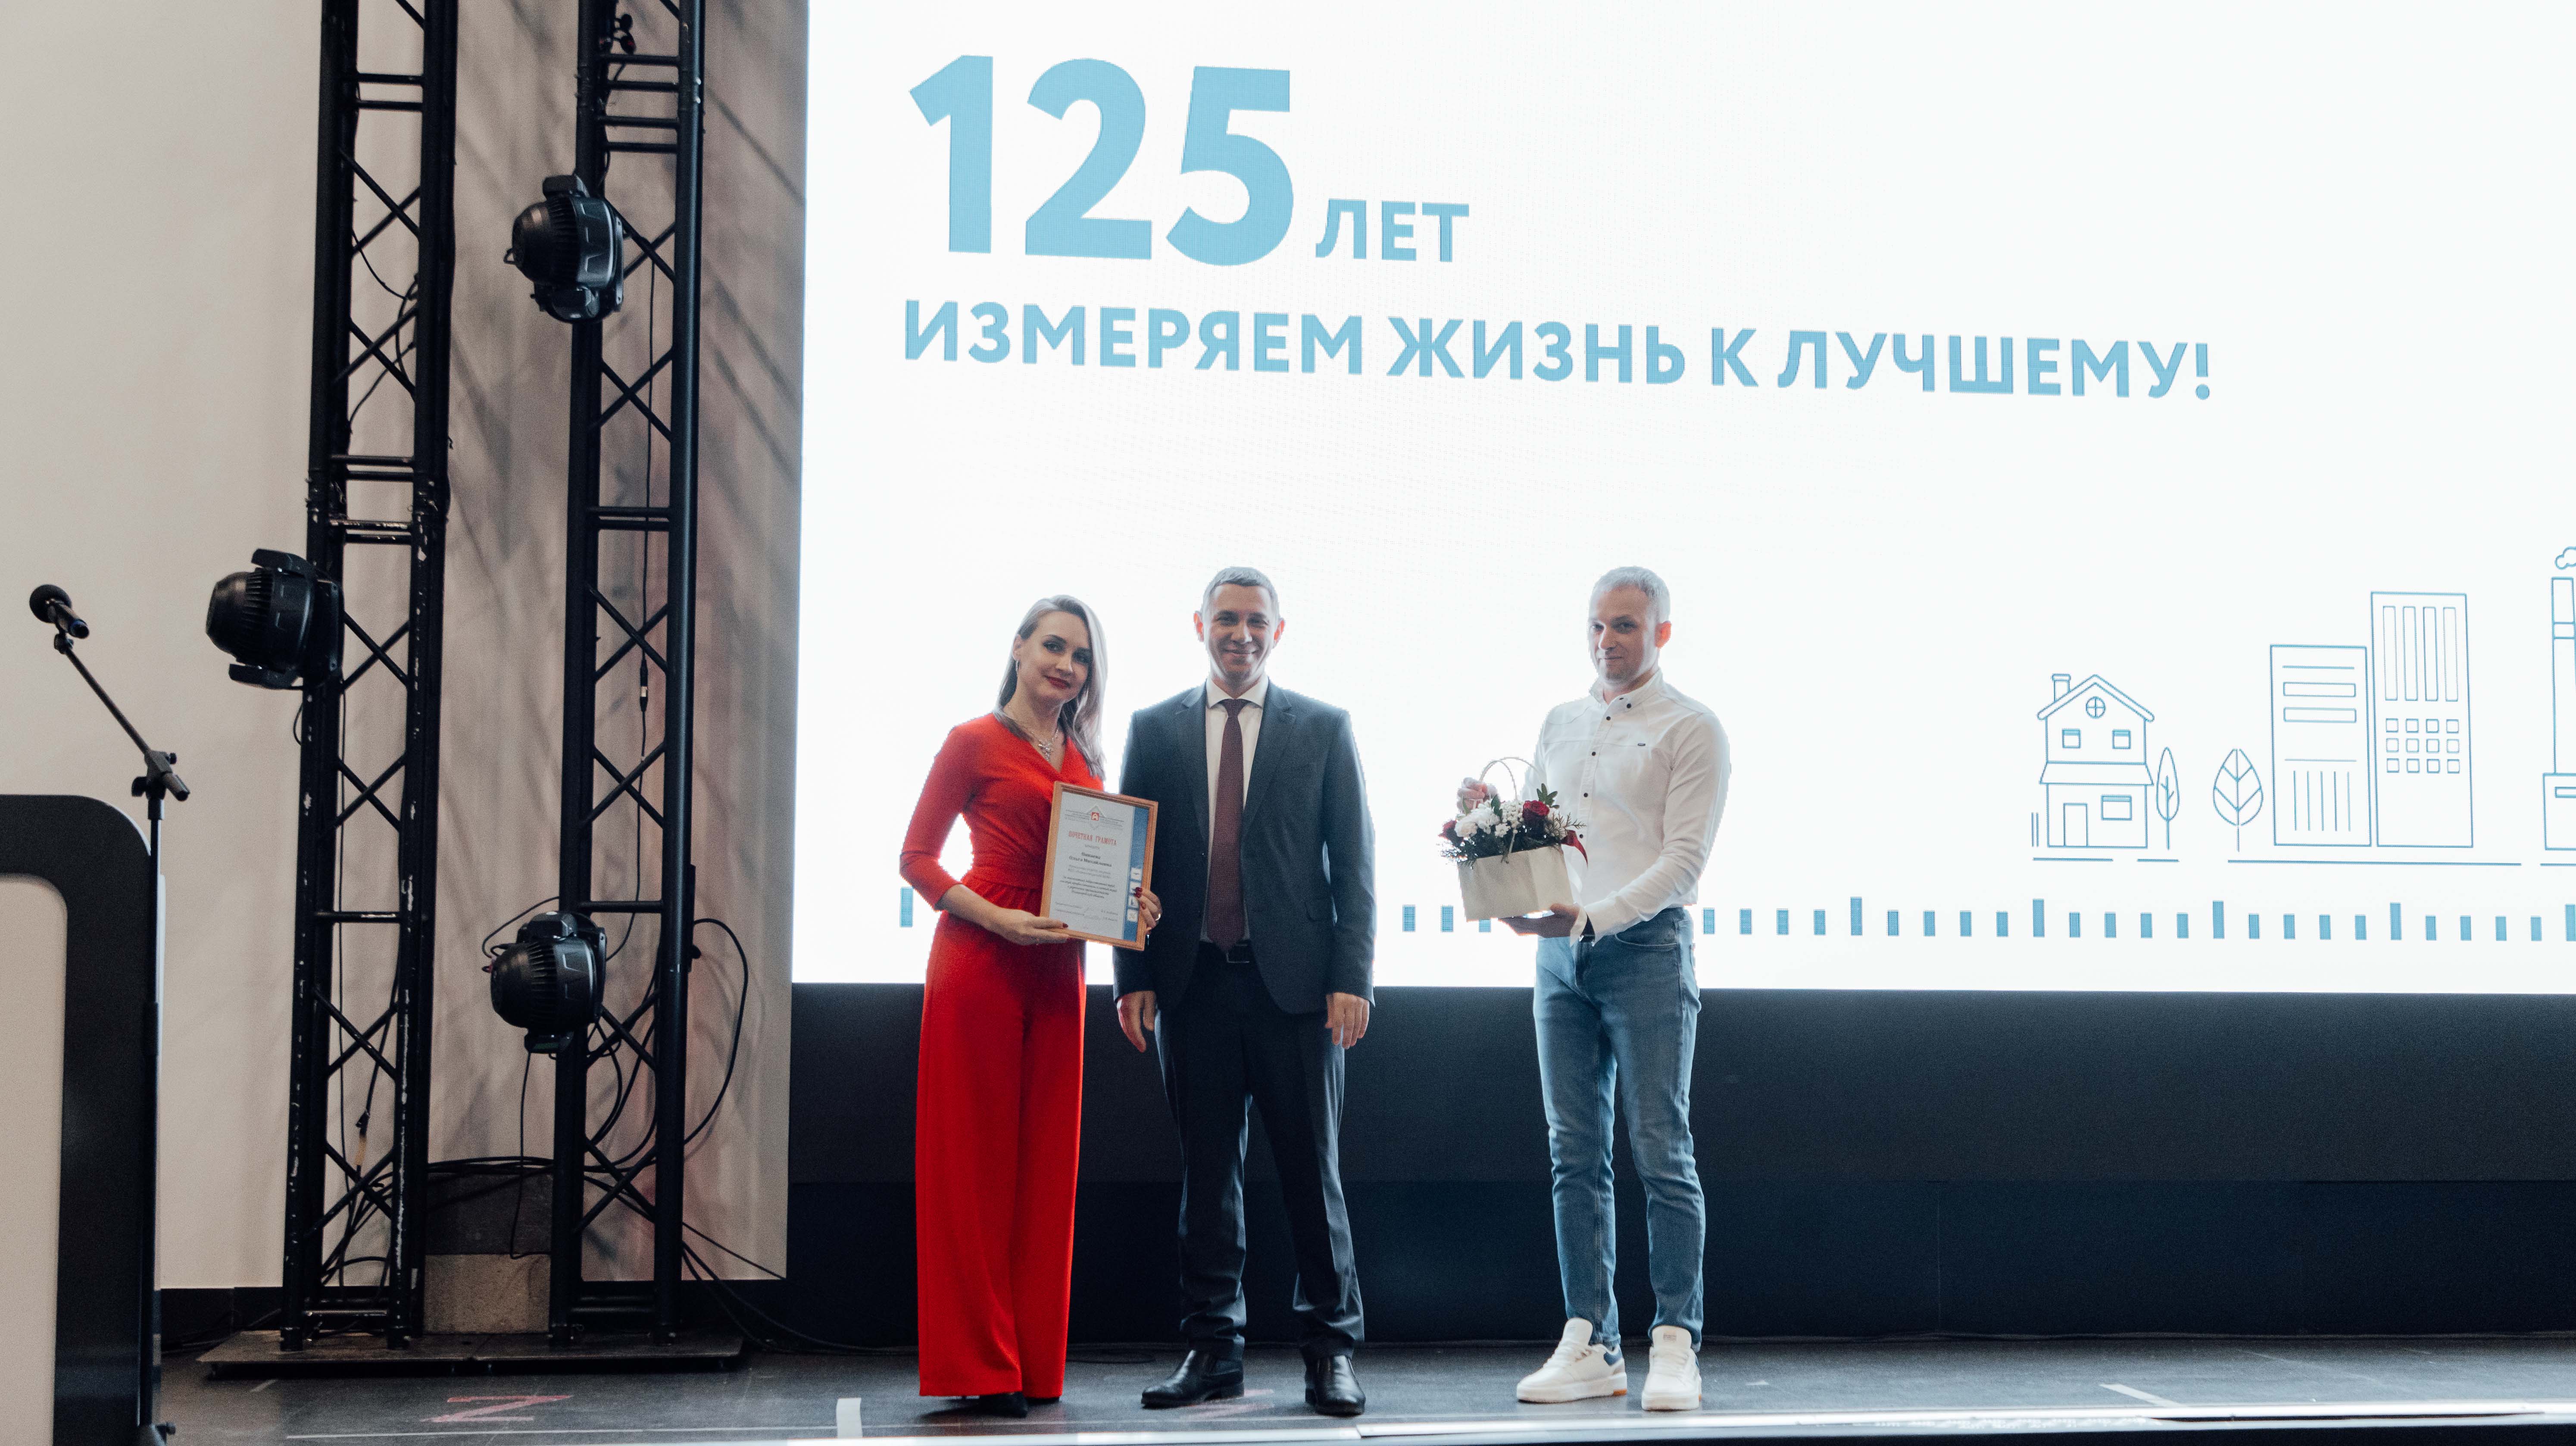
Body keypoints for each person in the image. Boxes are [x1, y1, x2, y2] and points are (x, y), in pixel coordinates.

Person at [1463, 566, 1730, 1412]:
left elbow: (1682, 862)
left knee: (1660, 1148)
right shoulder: (1561, 720)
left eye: (1625, 625)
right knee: (1572, 1153)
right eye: (1596, 625)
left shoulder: (1692, 727)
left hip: (1645, 951)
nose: (1606, 641)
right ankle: (1591, 1341)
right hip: (1558, 958)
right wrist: (1490, 822)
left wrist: (1592, 920)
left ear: (1661, 633)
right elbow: (1543, 838)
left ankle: (1675, 1342)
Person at [1112, 566, 1375, 1418]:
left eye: (1256, 620)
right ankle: (1212, 1348)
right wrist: (1132, 974)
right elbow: (1128, 862)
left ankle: (1331, 1350)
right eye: (1226, 618)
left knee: (1311, 1177)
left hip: (1295, 993)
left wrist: (1351, 978)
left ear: (1278, 631)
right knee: (1206, 1179)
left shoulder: (1324, 727)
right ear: (1199, 626)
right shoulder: (1153, 728)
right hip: (1191, 987)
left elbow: (1355, 864)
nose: (1241, 633)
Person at [899, 596, 1163, 1418]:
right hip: (981, 957)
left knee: (1047, 1172)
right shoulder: (970, 741)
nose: (1066, 666)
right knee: (973, 1169)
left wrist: (1134, 904)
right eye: (1053, 646)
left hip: (1057, 967)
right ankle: (980, 1363)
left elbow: (1094, 872)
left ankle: (1032, 1363)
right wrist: (996, 918)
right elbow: (916, 859)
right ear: (1017, 648)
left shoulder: (1085, 757)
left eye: (1081, 657)